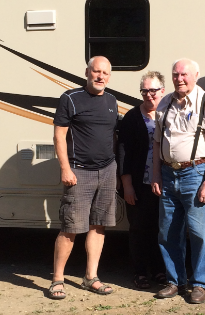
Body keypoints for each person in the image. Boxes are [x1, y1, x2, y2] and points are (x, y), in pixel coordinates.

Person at [152, 58, 205, 304]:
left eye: (184, 74)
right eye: (175, 74)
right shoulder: (164, 103)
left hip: (196, 174)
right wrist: (155, 174)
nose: (179, 78)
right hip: (167, 174)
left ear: (195, 75)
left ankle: (200, 284)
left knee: (200, 233)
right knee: (168, 232)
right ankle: (175, 281)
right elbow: (156, 145)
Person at [49, 56, 118, 299]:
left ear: (109, 76)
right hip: (79, 171)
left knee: (98, 226)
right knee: (71, 227)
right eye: (96, 72)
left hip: (107, 171)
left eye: (105, 73)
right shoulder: (70, 98)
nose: (100, 77)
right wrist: (65, 169)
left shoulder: (111, 100)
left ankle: (91, 277)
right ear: (87, 72)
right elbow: (59, 136)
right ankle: (57, 279)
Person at [118, 71, 167, 289]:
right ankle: (139, 271)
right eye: (145, 91)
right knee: (138, 228)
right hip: (139, 183)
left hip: (165, 183)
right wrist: (127, 185)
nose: (149, 95)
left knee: (160, 228)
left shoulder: (169, 113)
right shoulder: (131, 118)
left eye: (154, 90)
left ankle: (158, 269)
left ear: (162, 91)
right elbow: (124, 154)